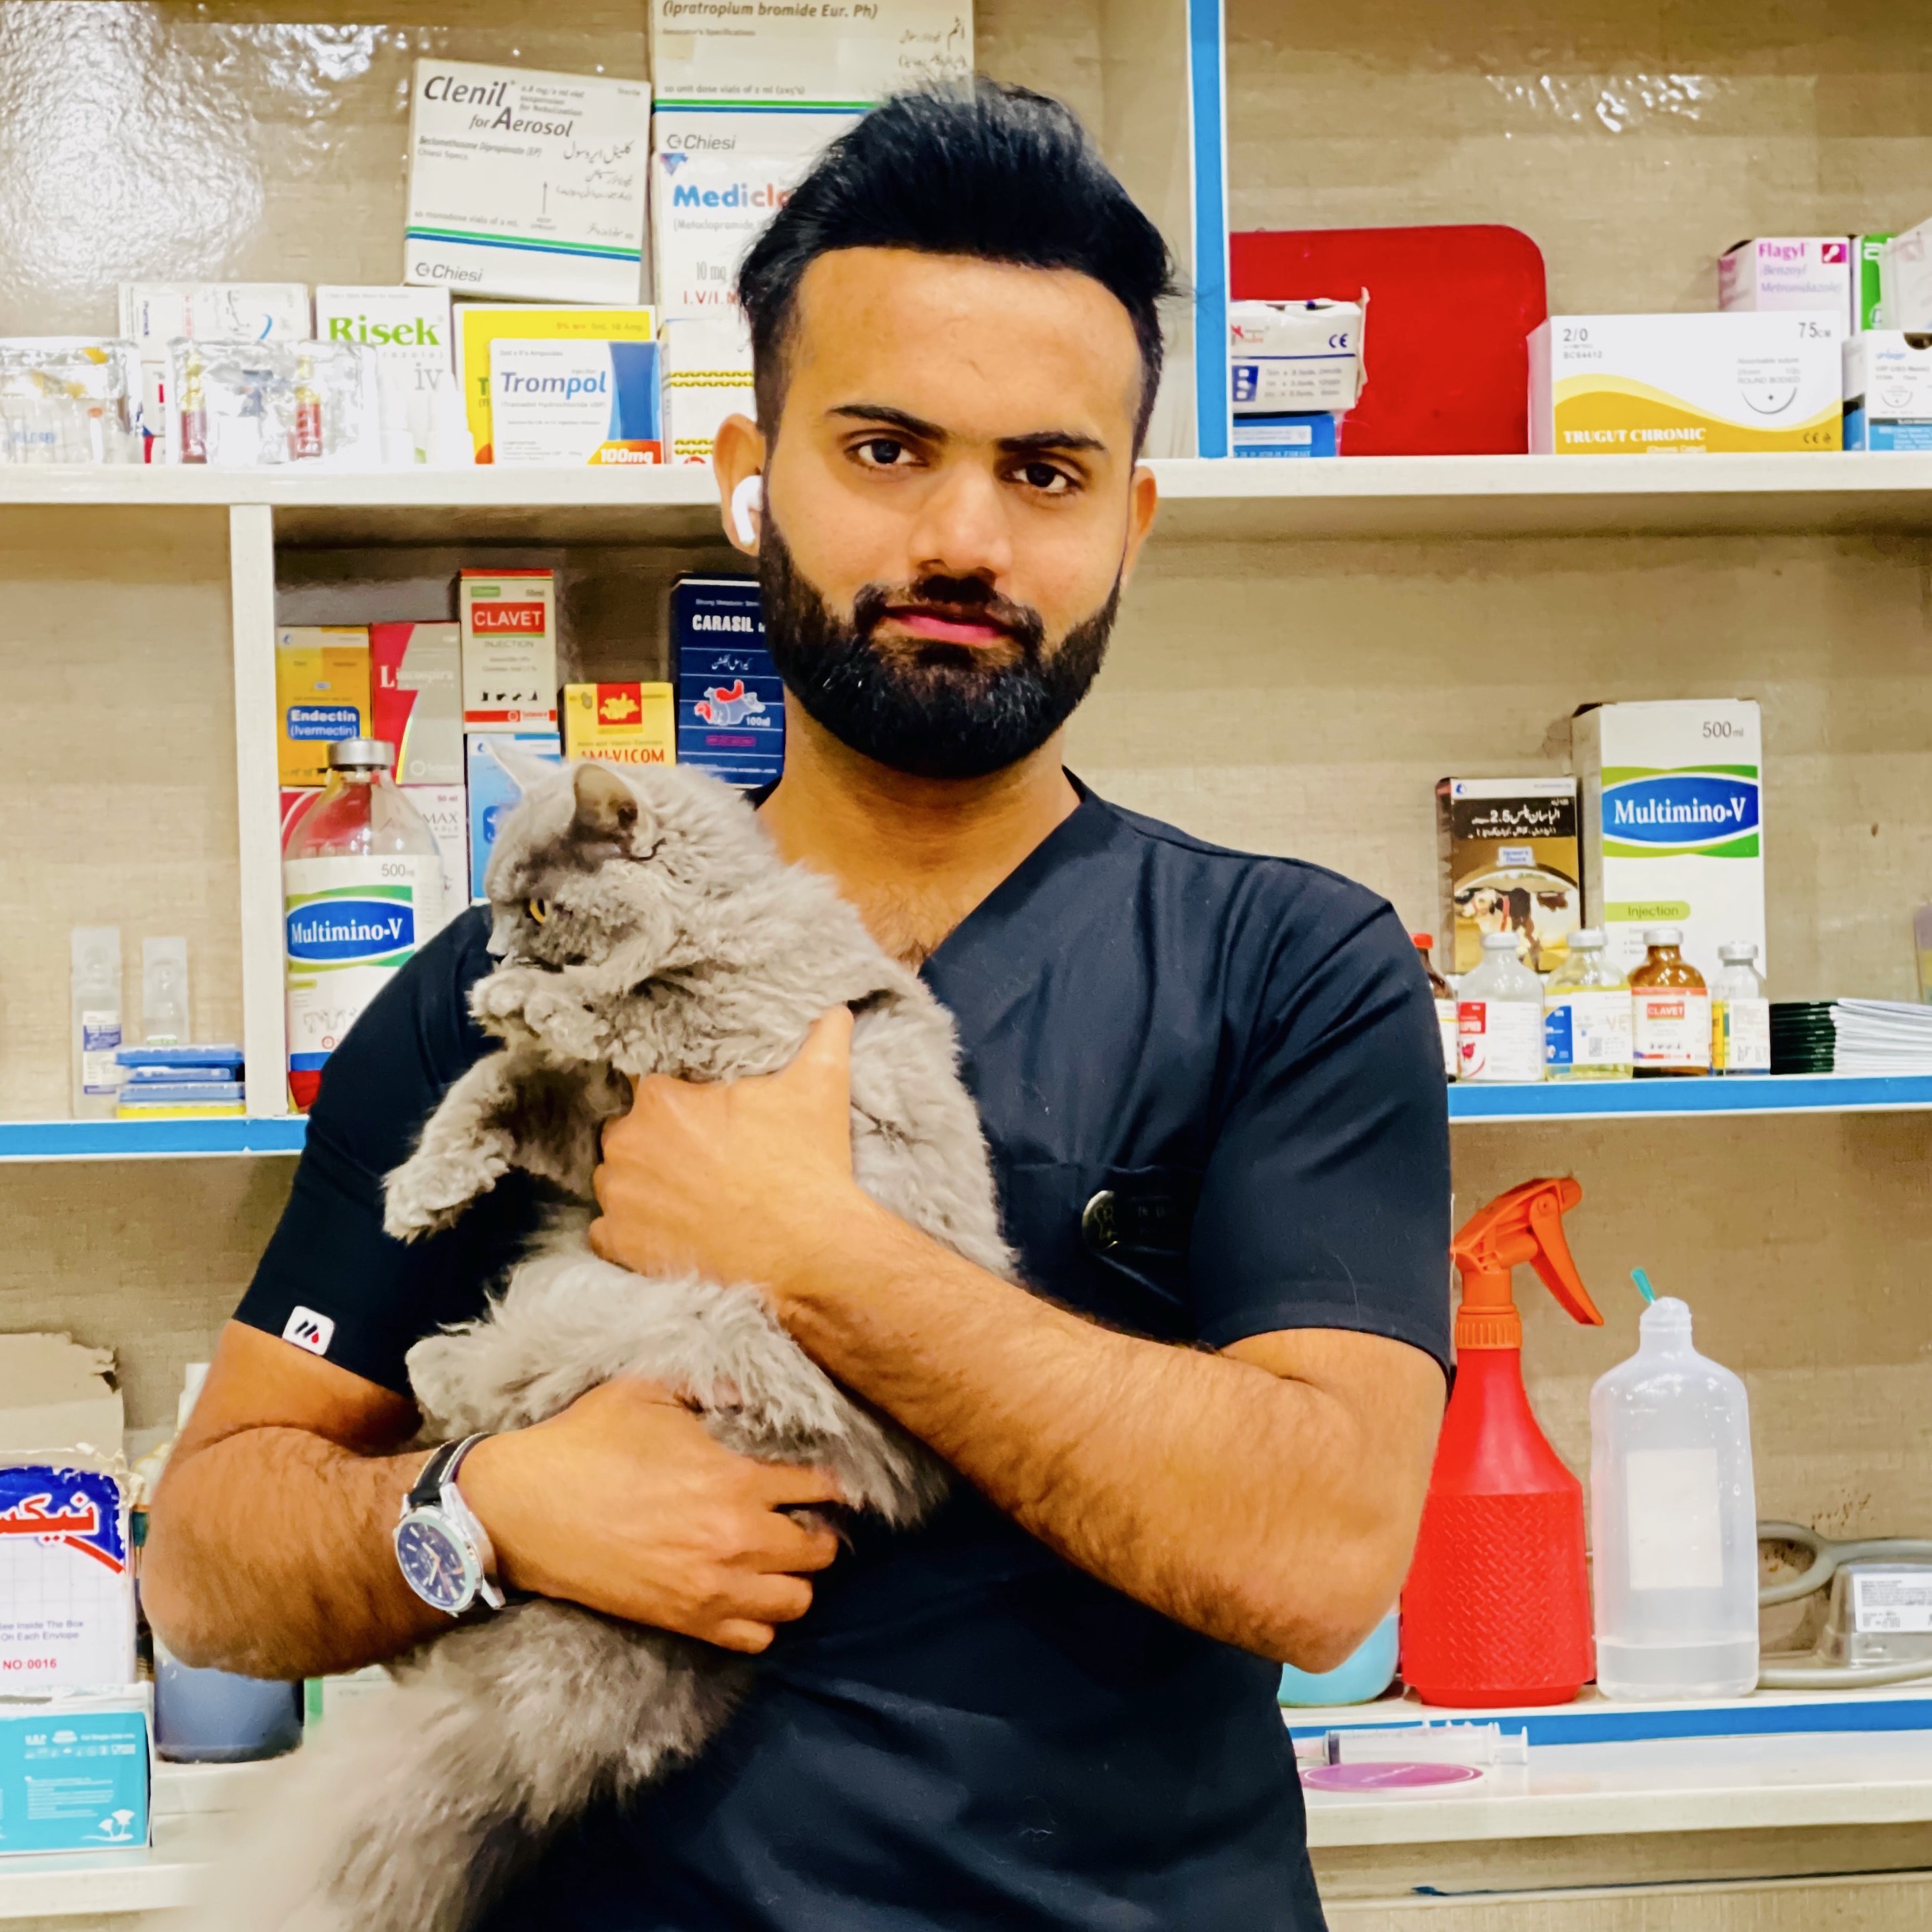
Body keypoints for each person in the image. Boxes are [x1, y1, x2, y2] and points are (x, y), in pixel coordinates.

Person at [144, 81, 1449, 1931]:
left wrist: (813, 1248)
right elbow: (207, 1561)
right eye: (887, 449)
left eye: (1047, 473)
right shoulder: (530, 977)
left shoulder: (1289, 970)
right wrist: (482, 1510)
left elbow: (1322, 1556)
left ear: (1132, 521)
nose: (965, 539)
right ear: (751, 470)